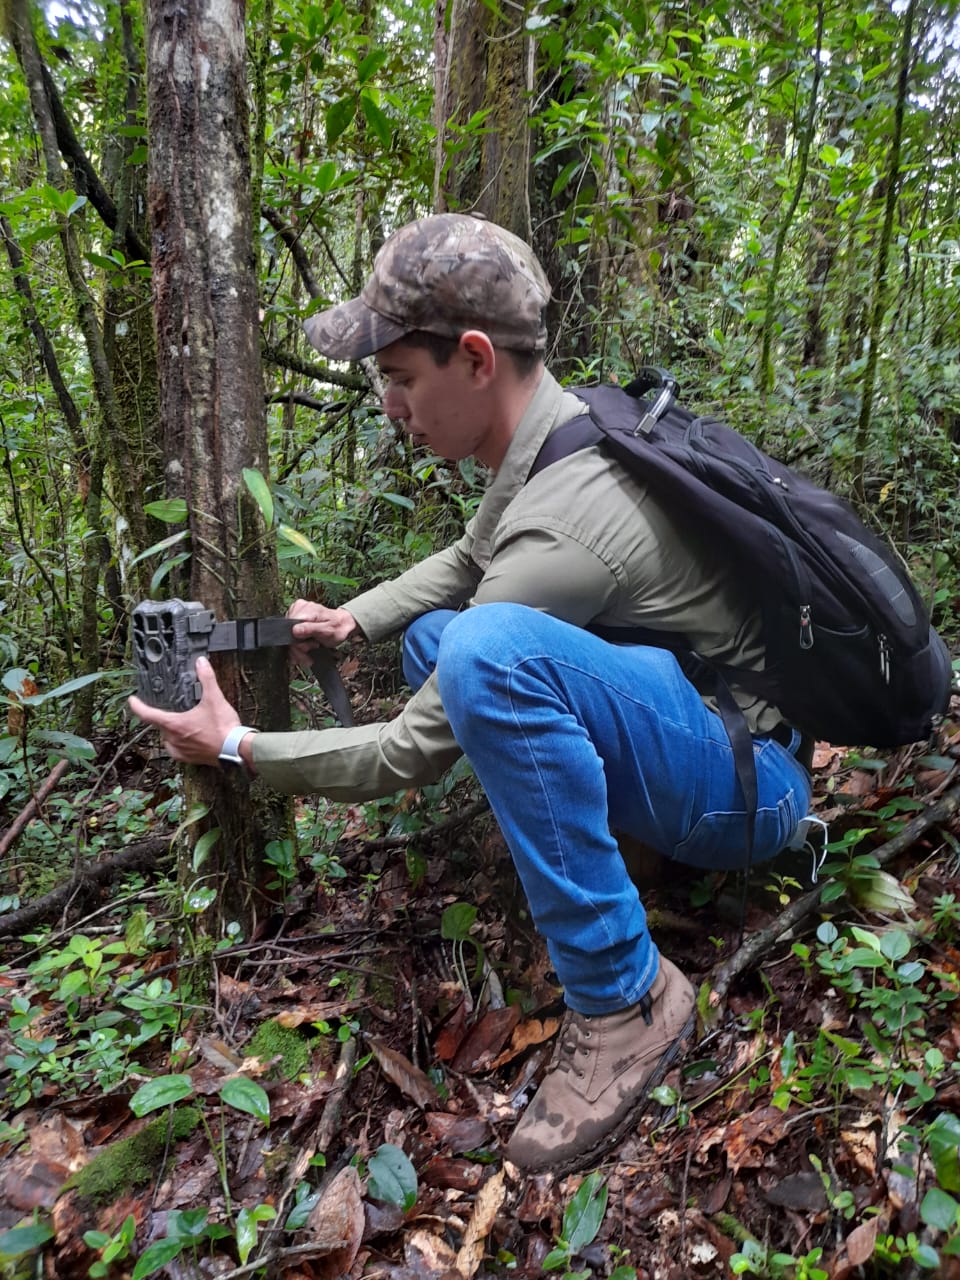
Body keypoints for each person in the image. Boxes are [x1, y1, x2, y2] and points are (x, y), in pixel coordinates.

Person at [129, 212, 812, 1174]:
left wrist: (236, 746)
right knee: (449, 637)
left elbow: (408, 749)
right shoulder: (557, 436)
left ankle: (625, 998)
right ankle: (615, 854)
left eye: (401, 379)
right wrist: (354, 617)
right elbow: (468, 556)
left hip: (754, 786)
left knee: (482, 653)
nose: (390, 406)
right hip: (699, 729)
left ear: (478, 360)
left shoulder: (566, 517)